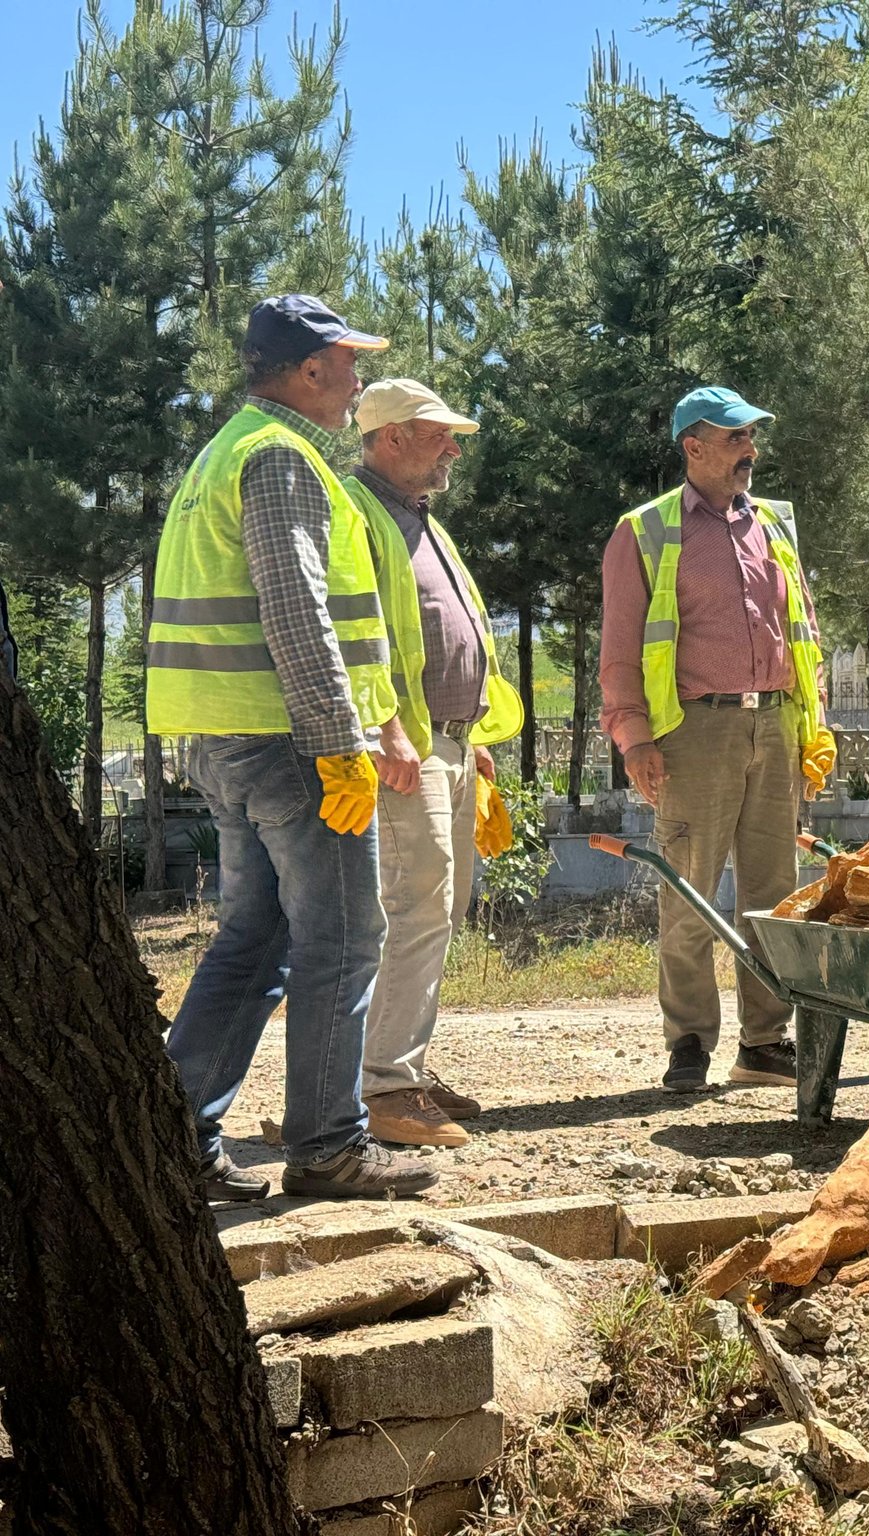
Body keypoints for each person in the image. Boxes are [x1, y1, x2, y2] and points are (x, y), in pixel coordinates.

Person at [147, 295, 436, 1202]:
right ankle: (328, 1146)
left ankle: (170, 1136)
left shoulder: (227, 449)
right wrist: (338, 743)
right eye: (350, 365)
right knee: (345, 938)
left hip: (229, 737)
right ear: (310, 371)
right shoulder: (278, 457)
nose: (358, 383)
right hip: (290, 742)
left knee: (258, 934)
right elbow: (298, 612)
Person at [598, 386, 834, 1093]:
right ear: (692, 447)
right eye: (734, 439)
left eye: (751, 437)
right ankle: (691, 1043)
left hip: (776, 724)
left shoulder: (773, 528)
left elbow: (806, 634)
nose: (749, 451)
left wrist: (811, 727)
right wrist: (634, 739)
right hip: (693, 731)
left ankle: (764, 1042)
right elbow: (619, 652)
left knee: (772, 892)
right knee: (690, 892)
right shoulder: (642, 531)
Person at [342, 379, 523, 1148]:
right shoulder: (356, 512)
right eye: (437, 433)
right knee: (411, 910)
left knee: (436, 912)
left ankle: (396, 1067)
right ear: (388, 437)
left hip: (444, 742)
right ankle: (383, 1087)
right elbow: (354, 637)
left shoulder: (419, 520)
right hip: (400, 747)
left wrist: (471, 738)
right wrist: (387, 732)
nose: (453, 447)